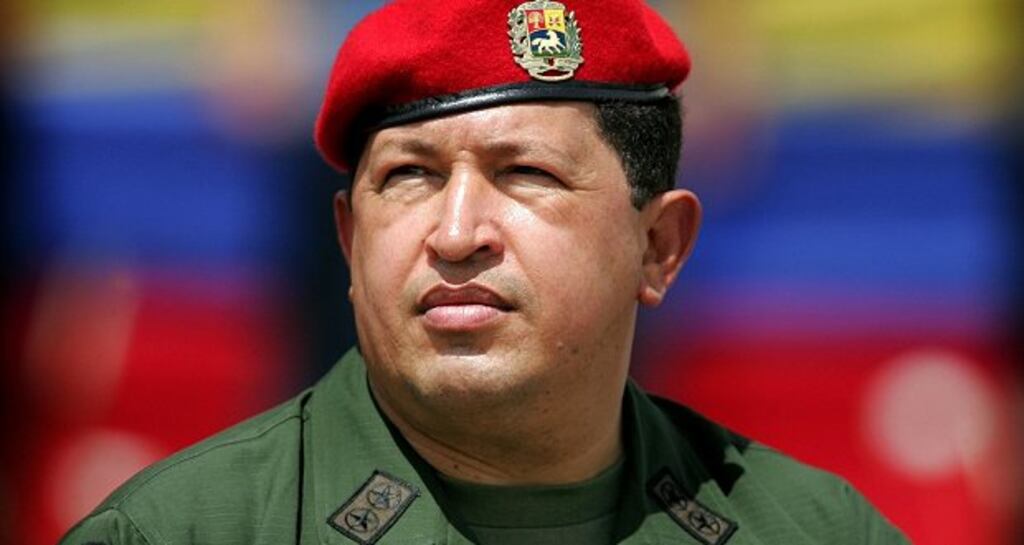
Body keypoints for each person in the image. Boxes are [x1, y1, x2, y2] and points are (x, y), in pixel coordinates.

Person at [60, 1, 909, 544]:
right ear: (349, 241)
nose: (456, 233)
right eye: (409, 177)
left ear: (659, 246)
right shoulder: (179, 531)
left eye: (527, 174)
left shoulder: (819, 530)